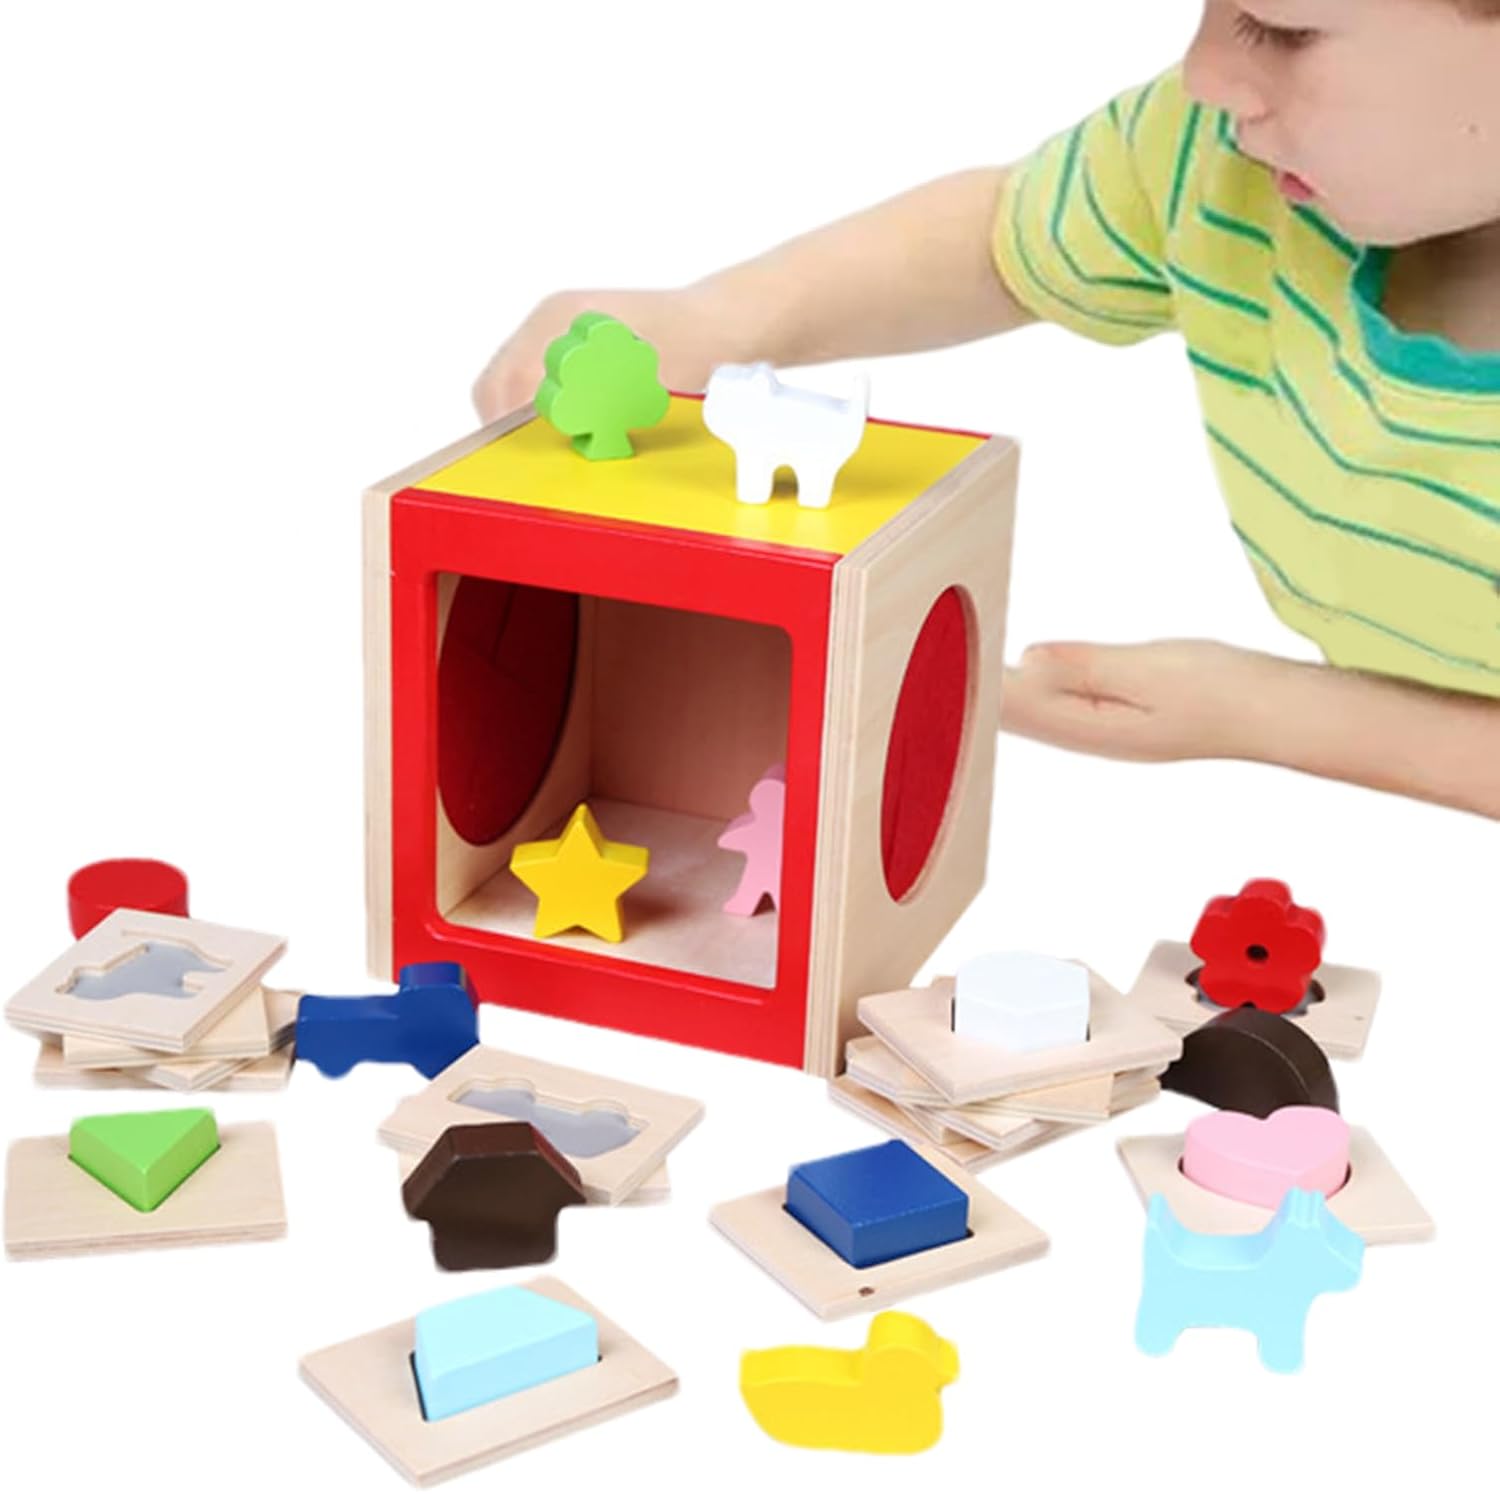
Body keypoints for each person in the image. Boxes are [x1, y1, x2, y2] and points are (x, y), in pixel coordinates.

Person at [473, 0, 1500, 819]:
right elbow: (1004, 241)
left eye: (1284, 28)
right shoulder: (1215, 156)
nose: (1206, 75)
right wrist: (717, 318)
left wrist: (1269, 714)